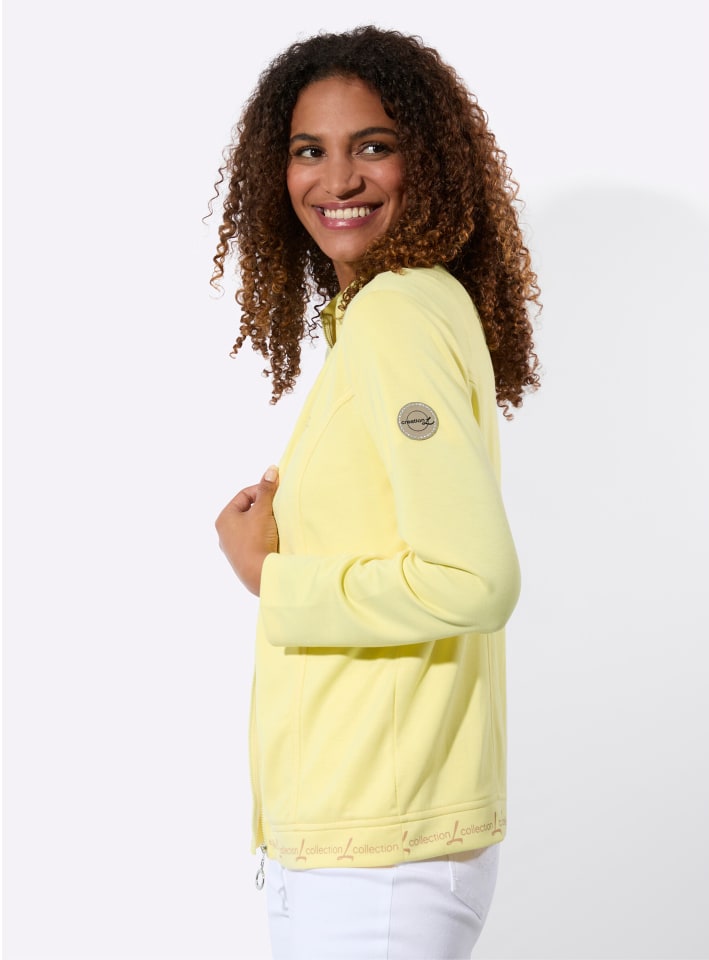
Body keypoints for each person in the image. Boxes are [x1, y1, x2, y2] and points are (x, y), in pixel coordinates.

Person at [212, 25, 540, 960]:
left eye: (372, 146)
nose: (337, 179)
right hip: (356, 838)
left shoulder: (397, 313)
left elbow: (475, 579)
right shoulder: (389, 312)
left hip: (380, 856)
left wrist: (273, 577)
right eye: (308, 151)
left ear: (424, 162)